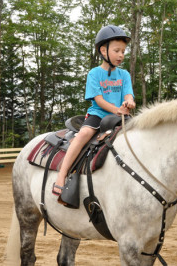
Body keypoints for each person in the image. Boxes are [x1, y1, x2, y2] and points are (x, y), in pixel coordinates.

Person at [52, 25, 136, 202]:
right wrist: (116, 109)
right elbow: (98, 100)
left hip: (120, 116)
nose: (121, 55)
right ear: (103, 50)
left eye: (123, 51)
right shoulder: (94, 73)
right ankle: (62, 174)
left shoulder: (125, 74)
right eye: (117, 51)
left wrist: (130, 101)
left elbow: (128, 93)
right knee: (84, 134)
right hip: (99, 114)